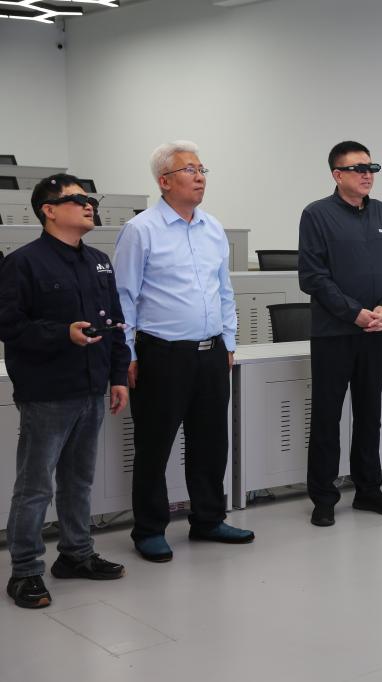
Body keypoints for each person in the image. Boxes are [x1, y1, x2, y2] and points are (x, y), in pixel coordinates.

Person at [114, 141, 253, 562]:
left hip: (211, 352)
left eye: (201, 169)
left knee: (210, 442)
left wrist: (229, 342)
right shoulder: (141, 230)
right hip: (161, 355)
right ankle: (149, 529)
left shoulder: (213, 228)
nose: (199, 177)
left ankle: (208, 519)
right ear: (164, 181)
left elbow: (224, 291)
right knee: (154, 445)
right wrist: (127, 354)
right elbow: (123, 297)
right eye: (189, 170)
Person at [0, 174, 129, 609]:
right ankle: (25, 571)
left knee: (79, 480)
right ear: (49, 210)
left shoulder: (99, 261)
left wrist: (117, 376)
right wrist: (62, 334)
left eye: (90, 198)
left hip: (92, 388)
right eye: (76, 199)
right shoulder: (23, 263)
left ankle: (76, 553)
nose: (88, 205)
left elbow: (114, 323)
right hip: (48, 392)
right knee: (35, 485)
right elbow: (9, 325)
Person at [298, 140, 382, 525]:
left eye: (371, 168)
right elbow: (312, 277)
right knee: (327, 417)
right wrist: (354, 314)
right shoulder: (316, 215)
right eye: (358, 168)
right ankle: (324, 497)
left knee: (369, 412)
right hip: (334, 334)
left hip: (376, 331)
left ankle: (368, 489)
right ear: (337, 174)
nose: (367, 175)